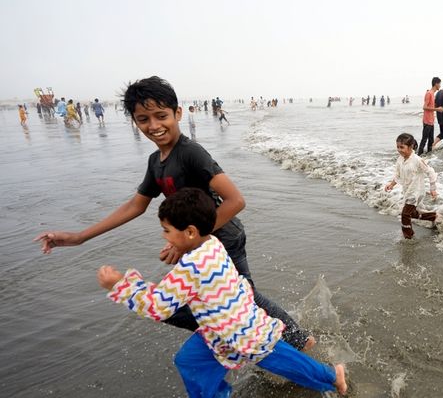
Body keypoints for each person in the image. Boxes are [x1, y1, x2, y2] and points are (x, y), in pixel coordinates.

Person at [35, 76, 314, 352]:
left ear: (177, 113)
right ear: (135, 121)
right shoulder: (156, 162)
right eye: (144, 119)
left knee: (242, 300)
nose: (154, 126)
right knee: (215, 305)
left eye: (161, 115)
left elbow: (235, 200)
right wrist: (80, 237)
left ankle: (291, 341)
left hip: (223, 239)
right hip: (197, 245)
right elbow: (136, 205)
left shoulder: (191, 153)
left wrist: (188, 241)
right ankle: (245, 339)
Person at [97, 188, 347, 398]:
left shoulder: (191, 267)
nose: (164, 236)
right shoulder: (212, 243)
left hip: (240, 331)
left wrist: (121, 284)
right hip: (223, 327)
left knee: (280, 360)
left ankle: (331, 376)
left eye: (167, 230)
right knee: (190, 360)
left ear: (191, 232)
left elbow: (158, 307)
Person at [385, 134, 438, 239]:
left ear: (411, 147)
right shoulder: (400, 159)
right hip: (407, 190)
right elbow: (398, 175)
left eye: (402, 147)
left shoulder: (417, 160)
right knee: (411, 213)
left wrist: (433, 189)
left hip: (416, 191)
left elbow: (431, 172)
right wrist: (391, 184)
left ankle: (408, 236)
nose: (399, 150)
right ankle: (433, 216)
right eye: (398, 147)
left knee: (405, 214)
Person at [417, 77, 443, 156]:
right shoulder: (429, 93)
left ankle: (429, 157)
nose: (440, 85)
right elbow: (424, 107)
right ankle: (419, 156)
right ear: (436, 83)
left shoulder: (432, 94)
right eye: (439, 84)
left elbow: (430, 106)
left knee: (431, 140)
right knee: (424, 139)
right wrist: (437, 109)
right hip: (427, 121)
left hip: (431, 121)